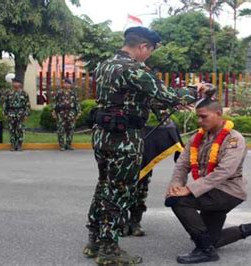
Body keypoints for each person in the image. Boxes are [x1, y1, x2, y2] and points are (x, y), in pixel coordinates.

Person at [83, 26, 207, 265]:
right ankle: (109, 250)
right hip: (125, 138)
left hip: (103, 135)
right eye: (149, 51)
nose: (148, 56)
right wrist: (195, 90)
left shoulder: (105, 65)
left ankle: (94, 240)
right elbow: (170, 95)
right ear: (142, 47)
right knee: (119, 190)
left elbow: (131, 96)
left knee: (104, 186)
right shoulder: (134, 69)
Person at [166, 96, 251, 264]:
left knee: (178, 201)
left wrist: (189, 189)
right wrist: (176, 184)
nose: (199, 121)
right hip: (208, 190)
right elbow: (182, 164)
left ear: (218, 113)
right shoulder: (197, 138)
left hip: (228, 191)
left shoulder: (233, 139)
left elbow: (224, 171)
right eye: (198, 116)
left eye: (204, 116)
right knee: (211, 238)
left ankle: (205, 251)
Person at [52, 78, 81, 151]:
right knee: (60, 130)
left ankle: (68, 145)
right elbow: (54, 102)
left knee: (70, 130)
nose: (66, 85)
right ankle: (61, 145)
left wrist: (78, 113)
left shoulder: (73, 94)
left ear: (70, 85)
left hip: (71, 113)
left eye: (68, 83)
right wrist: (53, 112)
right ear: (63, 84)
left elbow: (77, 103)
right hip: (61, 113)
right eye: (65, 83)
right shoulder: (59, 93)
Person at [2, 78, 31, 151]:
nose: (15, 84)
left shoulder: (24, 93)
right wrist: (5, 113)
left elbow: (27, 105)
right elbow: (5, 104)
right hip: (11, 113)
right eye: (14, 82)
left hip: (20, 113)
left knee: (20, 129)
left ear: (20, 84)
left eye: (17, 82)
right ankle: (12, 145)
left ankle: (19, 145)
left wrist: (26, 114)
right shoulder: (8, 93)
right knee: (12, 130)